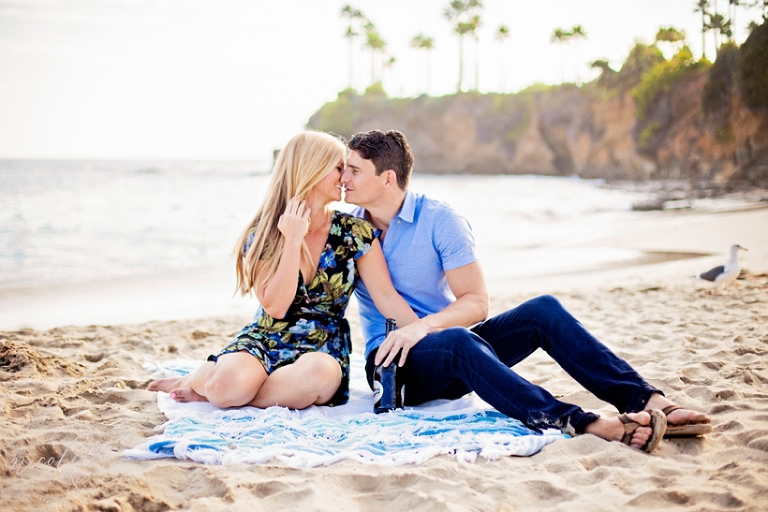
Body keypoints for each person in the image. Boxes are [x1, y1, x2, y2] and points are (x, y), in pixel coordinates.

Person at [341, 129, 712, 452]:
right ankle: (581, 422)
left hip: (448, 345)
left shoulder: (439, 220)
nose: (345, 178)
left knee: (543, 311)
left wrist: (424, 326)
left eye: (354, 170)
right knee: (459, 341)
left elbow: (476, 302)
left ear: (387, 179)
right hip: (394, 365)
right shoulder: (348, 232)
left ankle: (649, 400)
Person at [148, 131, 417, 409]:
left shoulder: (356, 233)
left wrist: (428, 332)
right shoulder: (264, 232)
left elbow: (386, 297)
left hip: (321, 349)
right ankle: (207, 380)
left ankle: (216, 391)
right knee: (226, 386)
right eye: (339, 168)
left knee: (314, 374)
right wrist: (292, 240)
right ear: (311, 170)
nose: (345, 178)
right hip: (266, 337)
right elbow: (276, 308)